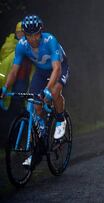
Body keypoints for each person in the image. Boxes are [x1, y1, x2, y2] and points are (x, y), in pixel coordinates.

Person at [1, 15, 70, 166]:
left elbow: (57, 68)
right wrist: (5, 88)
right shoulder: (22, 45)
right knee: (36, 105)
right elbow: (14, 71)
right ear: (24, 35)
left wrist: (47, 89)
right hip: (41, 72)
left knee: (54, 91)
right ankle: (41, 142)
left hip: (59, 67)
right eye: (29, 35)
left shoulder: (50, 40)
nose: (33, 39)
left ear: (41, 32)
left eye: (36, 34)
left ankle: (60, 120)